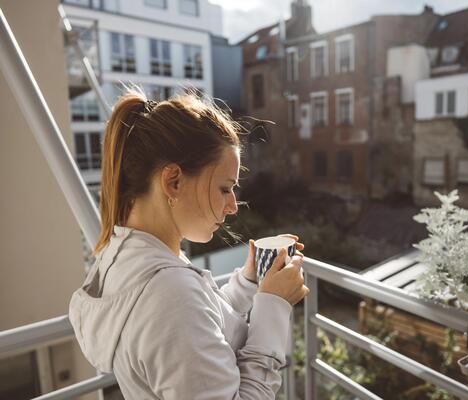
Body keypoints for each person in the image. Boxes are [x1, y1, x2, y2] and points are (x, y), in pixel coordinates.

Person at [69, 87, 310, 399]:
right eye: (225, 188)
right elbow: (181, 313)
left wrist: (248, 283)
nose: (233, 205)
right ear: (173, 181)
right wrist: (274, 307)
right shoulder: (169, 292)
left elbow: (197, 327)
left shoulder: (124, 256)